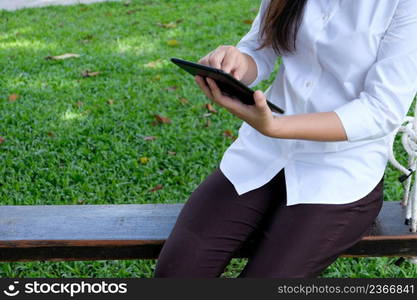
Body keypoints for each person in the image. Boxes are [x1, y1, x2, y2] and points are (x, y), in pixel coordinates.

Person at [154, 0, 417, 277]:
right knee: (176, 274)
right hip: (261, 155)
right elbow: (260, 47)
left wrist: (279, 126)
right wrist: (235, 64)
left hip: (339, 174)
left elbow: (381, 110)